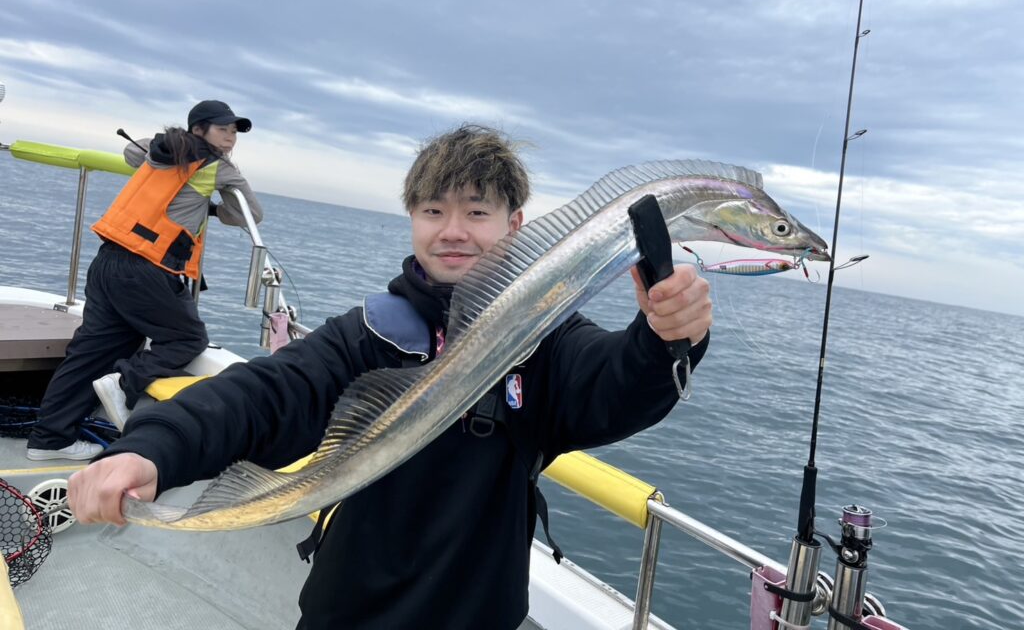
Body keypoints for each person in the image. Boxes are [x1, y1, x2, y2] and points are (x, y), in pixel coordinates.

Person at [68, 124, 712, 630]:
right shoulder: (370, 333)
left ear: (516, 225)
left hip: (480, 617)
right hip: (348, 611)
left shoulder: (545, 341)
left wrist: (663, 338)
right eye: (432, 210)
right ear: (411, 219)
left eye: (477, 212)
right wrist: (152, 448)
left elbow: (615, 389)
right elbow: (266, 394)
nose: (453, 232)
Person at [26, 100, 263, 461]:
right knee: (187, 338)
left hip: (109, 260)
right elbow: (249, 214)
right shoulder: (218, 166)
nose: (230, 137)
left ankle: (49, 440)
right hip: (147, 269)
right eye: (223, 129)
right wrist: (212, 207)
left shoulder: (158, 146)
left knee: (91, 352)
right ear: (199, 129)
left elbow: (130, 153)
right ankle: (123, 385)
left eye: (234, 131)